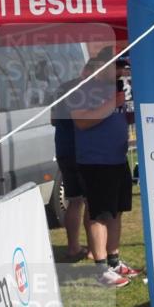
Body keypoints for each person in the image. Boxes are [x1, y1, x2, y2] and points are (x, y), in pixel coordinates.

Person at [70, 54, 141, 287]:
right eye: (116, 68)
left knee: (116, 211)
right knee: (98, 213)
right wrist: (113, 103)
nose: (120, 73)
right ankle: (101, 268)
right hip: (95, 162)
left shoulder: (115, 90)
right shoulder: (82, 90)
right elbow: (81, 121)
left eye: (121, 69)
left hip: (117, 159)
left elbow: (118, 117)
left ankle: (114, 261)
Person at [51, 75, 91, 263]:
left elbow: (53, 120)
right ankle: (93, 248)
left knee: (74, 201)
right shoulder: (83, 90)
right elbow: (85, 121)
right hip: (79, 151)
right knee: (90, 201)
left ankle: (73, 247)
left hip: (63, 150)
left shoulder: (62, 87)